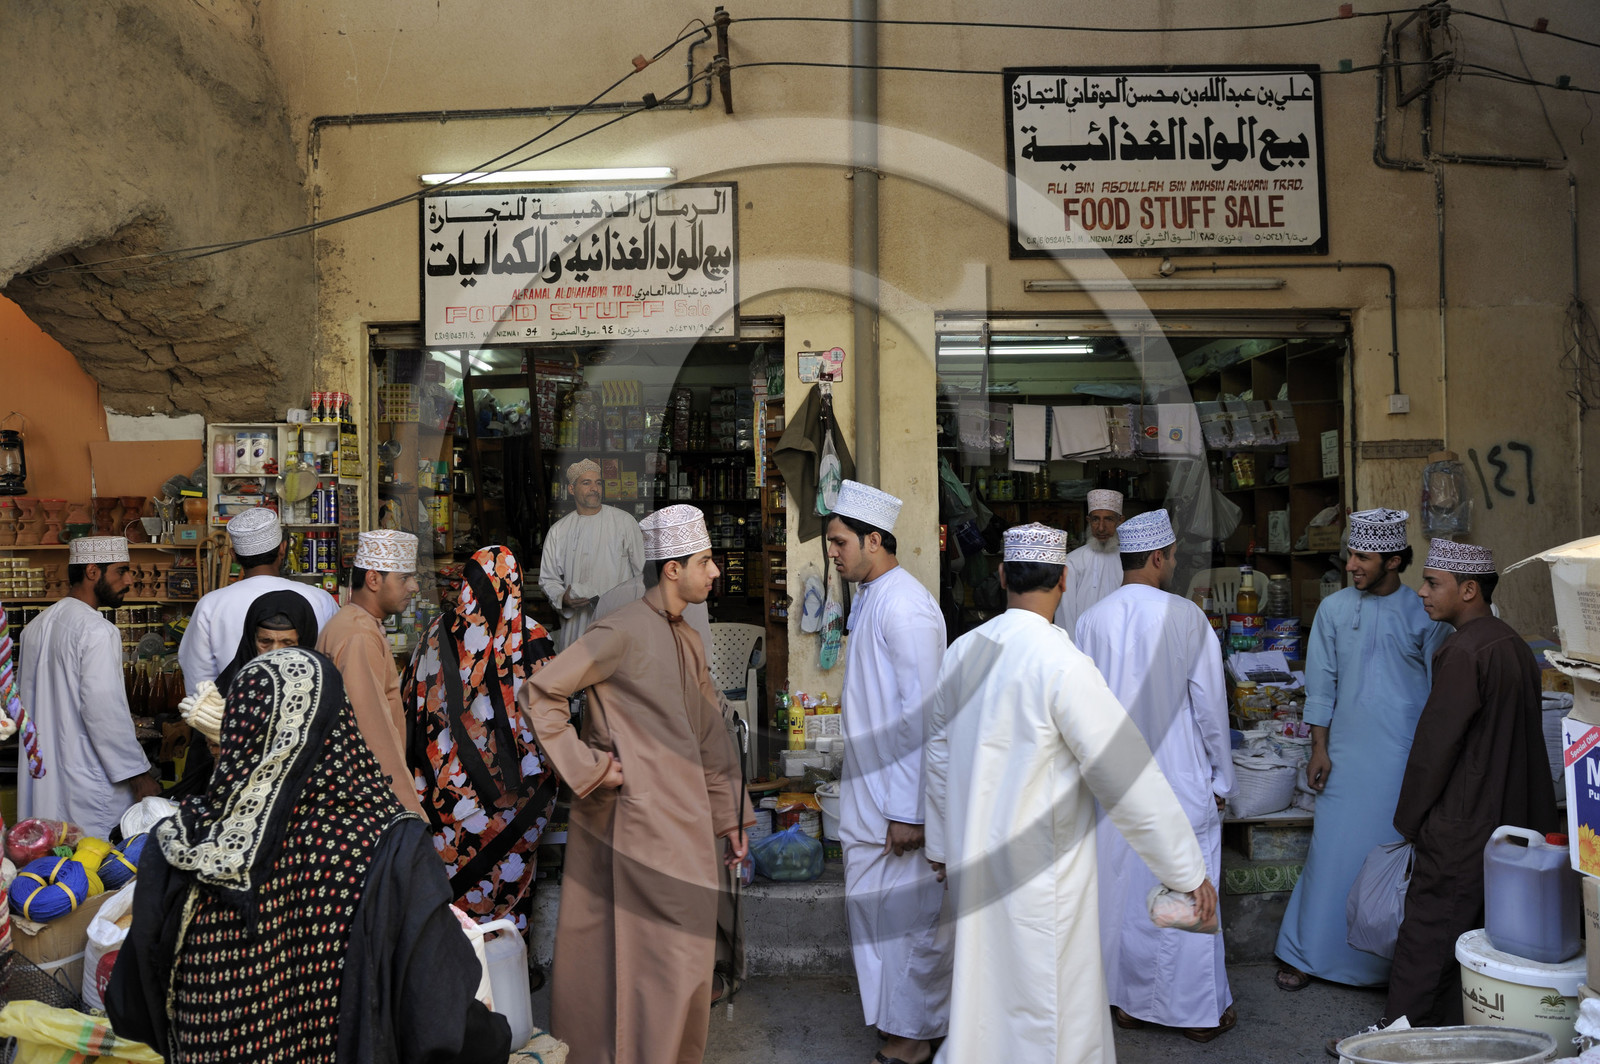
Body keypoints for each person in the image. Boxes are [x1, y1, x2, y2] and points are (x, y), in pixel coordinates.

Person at [106, 647, 510, 1064]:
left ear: (237, 732)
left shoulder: (184, 844)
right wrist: (498, 1038)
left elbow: (131, 1009)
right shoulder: (389, 847)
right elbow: (440, 1024)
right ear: (341, 728)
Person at [925, 522, 1216, 1064]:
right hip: (1043, 877)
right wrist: (1185, 871)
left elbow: (938, 759)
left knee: (985, 1007)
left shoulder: (962, 653)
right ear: (1063, 580)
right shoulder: (1063, 664)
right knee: (1048, 1015)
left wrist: (941, 846)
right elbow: (1124, 777)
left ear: (1002, 575)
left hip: (974, 864)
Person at [517, 504, 752, 1064]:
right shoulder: (618, 633)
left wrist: (732, 817)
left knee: (680, 963)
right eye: (706, 561)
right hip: (635, 826)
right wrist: (590, 768)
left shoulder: (686, 638)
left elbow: (711, 737)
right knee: (653, 962)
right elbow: (540, 694)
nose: (716, 572)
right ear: (672, 569)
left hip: (685, 824)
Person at [1380, 540, 1560, 1026]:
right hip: (1509, 812)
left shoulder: (1462, 651)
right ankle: (1458, 1033)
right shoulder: (1513, 644)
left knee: (1431, 929)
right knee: (1480, 929)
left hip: (1462, 818)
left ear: (1469, 589)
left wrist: (1410, 820)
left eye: (1433, 583)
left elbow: (1436, 747)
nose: (1421, 592)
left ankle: (1398, 1036)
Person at [1074, 509, 1237, 1042]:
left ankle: (1125, 1002)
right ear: (1158, 558)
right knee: (1185, 893)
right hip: (1177, 779)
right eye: (1170, 559)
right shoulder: (1187, 617)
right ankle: (1191, 1014)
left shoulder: (1091, 621)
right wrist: (1223, 780)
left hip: (1115, 785)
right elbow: (1212, 708)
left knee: (1123, 896)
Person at [1275, 508, 1450, 991]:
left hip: (1401, 757)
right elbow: (1321, 686)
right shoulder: (1333, 610)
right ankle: (1306, 955)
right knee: (1330, 854)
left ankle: (1383, 966)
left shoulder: (1424, 611)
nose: (1351, 565)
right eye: (1351, 554)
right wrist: (1319, 747)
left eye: (1363, 557)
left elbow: (1439, 691)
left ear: (1393, 561)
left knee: (1390, 860)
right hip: (1345, 755)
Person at [825, 479, 951, 1064]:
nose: (832, 552)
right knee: (874, 919)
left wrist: (910, 812)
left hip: (897, 806)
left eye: (840, 541)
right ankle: (894, 1022)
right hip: (870, 796)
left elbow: (922, 717)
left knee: (907, 926)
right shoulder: (873, 596)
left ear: (874, 540)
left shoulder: (906, 607)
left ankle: (914, 1036)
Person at [402, 545, 559, 929]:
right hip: (517, 793)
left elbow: (411, 702)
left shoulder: (435, 633)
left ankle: (459, 969)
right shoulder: (531, 634)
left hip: (448, 795)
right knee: (508, 880)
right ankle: (509, 971)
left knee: (454, 888)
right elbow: (553, 712)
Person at [17, 536, 158, 837]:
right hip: (88, 783)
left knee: (47, 866)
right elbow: (104, 711)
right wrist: (139, 775)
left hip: (43, 777)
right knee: (93, 871)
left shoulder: (35, 628)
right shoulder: (97, 630)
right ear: (92, 572)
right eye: (121, 571)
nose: (130, 580)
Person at [317, 529, 425, 815]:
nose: (414, 587)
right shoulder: (358, 635)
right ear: (374, 579)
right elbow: (372, 728)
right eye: (404, 578)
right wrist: (406, 810)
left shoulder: (357, 624)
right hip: (367, 796)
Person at [171, 589, 319, 797]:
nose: (275, 653)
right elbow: (206, 772)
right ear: (251, 640)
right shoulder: (230, 689)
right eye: (265, 642)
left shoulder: (320, 689)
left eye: (288, 643)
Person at [178, 507, 339, 692]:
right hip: (305, 711)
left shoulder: (210, 605)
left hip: (233, 714)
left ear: (233, 556)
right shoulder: (321, 599)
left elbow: (198, 679)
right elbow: (335, 664)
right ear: (283, 549)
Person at [538, 458, 646, 652]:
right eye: (586, 483)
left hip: (618, 622)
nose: (594, 488)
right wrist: (563, 598)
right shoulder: (559, 531)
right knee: (577, 677)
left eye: (598, 483)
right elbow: (548, 579)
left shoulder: (624, 522)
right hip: (576, 626)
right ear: (571, 489)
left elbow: (643, 573)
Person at [1053, 488, 1126, 635]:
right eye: (1095, 519)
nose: (1101, 527)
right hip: (1082, 646)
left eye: (1108, 519)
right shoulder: (1072, 562)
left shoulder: (1129, 560)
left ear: (1120, 521)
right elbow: (1065, 614)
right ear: (1088, 521)